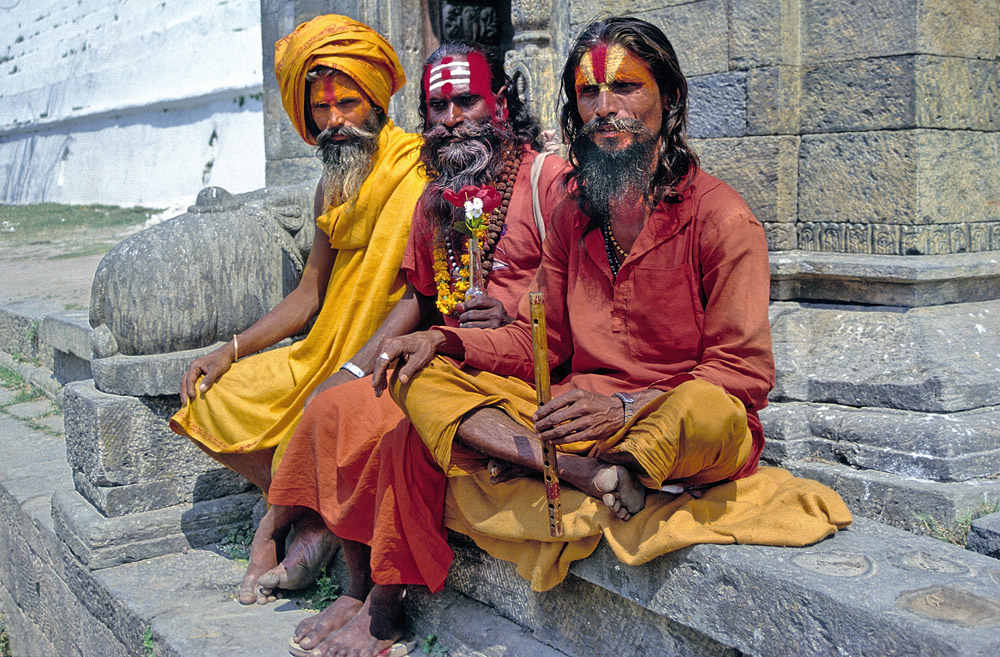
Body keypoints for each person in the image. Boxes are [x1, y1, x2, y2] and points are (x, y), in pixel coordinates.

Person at [374, 16, 852, 593]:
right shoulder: (573, 213)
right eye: (588, 92)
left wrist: (627, 409)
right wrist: (441, 339)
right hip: (581, 424)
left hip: (674, 424)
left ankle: (602, 466)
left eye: (624, 87)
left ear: (669, 98)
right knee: (421, 379)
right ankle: (589, 474)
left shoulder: (724, 219)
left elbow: (741, 378)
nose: (603, 107)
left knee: (711, 409)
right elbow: (541, 342)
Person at [265, 42, 569, 657]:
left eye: (467, 101)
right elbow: (421, 291)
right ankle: (354, 585)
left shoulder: (550, 180)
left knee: (399, 426)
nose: (452, 118)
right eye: (437, 107)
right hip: (446, 360)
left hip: (529, 364)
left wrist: (515, 311)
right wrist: (366, 362)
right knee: (338, 407)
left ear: (502, 103)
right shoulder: (437, 196)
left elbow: (582, 292)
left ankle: (385, 603)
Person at [168, 14, 428, 605]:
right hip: (320, 351)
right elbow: (308, 295)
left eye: (347, 103)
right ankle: (313, 510)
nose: (333, 121)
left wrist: (360, 367)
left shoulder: (419, 172)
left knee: (330, 405)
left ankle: (279, 523)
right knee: (211, 395)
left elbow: (422, 296)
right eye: (320, 108)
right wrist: (227, 350)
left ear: (376, 99)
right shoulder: (328, 187)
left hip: (378, 354)